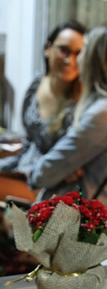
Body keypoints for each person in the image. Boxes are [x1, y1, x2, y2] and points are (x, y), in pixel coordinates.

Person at [28, 23, 107, 214]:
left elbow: (42, 173)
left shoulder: (104, 115)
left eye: (83, 51)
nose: (77, 59)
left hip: (68, 223)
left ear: (96, 60)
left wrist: (59, 171)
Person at [0, 20, 86, 202]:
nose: (70, 60)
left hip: (50, 184)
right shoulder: (37, 84)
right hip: (23, 167)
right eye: (64, 50)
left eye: (78, 53)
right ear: (48, 49)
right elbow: (29, 141)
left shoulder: (82, 102)